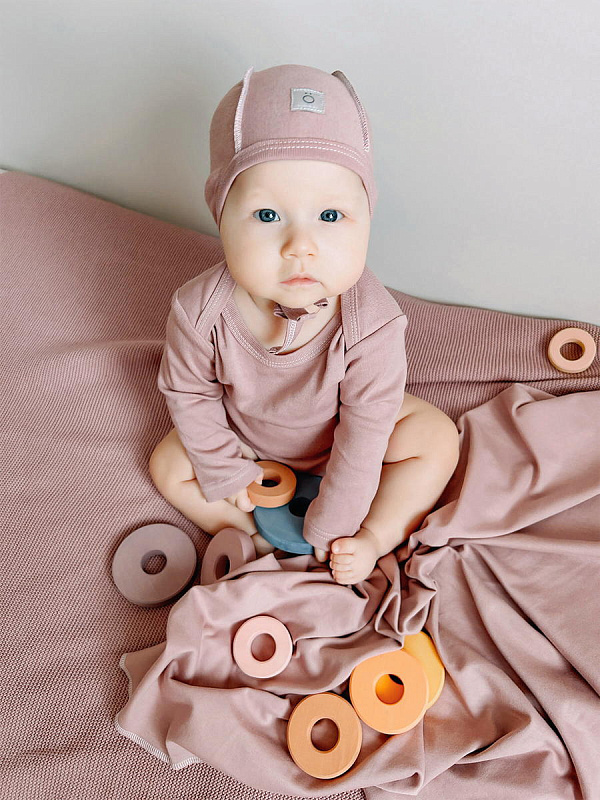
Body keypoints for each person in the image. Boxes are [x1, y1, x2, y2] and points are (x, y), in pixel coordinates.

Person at [149, 64, 460, 585]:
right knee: (168, 464)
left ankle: (375, 536)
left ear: (366, 216)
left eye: (331, 217)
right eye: (267, 216)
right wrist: (225, 467)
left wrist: (336, 522)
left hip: (340, 438)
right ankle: (245, 537)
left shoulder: (373, 323)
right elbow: (189, 393)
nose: (300, 247)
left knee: (436, 438)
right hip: (245, 437)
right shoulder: (199, 310)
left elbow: (366, 428)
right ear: (221, 216)